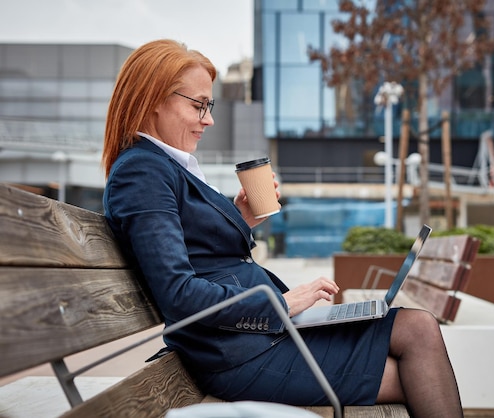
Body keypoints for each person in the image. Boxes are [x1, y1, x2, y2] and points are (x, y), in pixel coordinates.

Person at [102, 39, 463, 418]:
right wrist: (283, 304)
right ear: (153, 99)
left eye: (208, 106)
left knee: (417, 330)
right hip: (240, 352)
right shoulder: (143, 171)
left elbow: (198, 254)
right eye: (198, 105)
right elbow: (178, 293)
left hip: (253, 339)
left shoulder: (162, 165)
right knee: (417, 345)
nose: (208, 119)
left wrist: (241, 218)